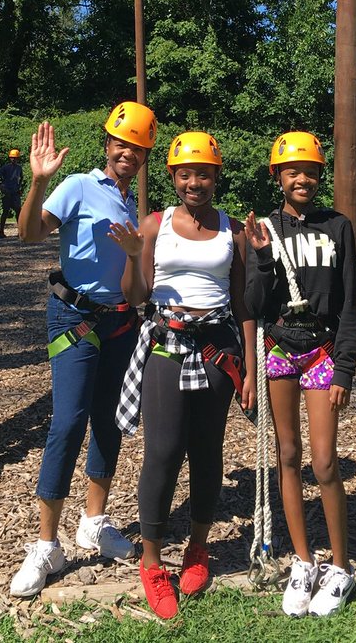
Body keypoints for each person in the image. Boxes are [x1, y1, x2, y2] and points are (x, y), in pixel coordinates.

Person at [9, 101, 158, 598]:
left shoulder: (126, 204)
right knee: (68, 423)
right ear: (107, 144)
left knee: (110, 421)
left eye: (137, 150)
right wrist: (37, 182)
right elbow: (30, 233)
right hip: (74, 318)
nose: (128, 154)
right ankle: (45, 544)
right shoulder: (77, 185)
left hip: (119, 322)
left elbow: (134, 289)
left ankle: (93, 521)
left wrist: (137, 260)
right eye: (122, 144)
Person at [108, 132, 255, 619]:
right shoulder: (154, 225)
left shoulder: (232, 230)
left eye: (204, 173)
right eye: (186, 174)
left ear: (216, 177)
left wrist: (250, 368)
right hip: (167, 344)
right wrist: (132, 255)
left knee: (207, 449)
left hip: (216, 346)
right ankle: (151, 561)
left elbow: (242, 303)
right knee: (164, 451)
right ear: (172, 178)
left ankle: (197, 546)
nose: (196, 182)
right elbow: (135, 298)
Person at [244, 132, 356, 618]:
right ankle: (303, 561)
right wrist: (263, 257)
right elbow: (252, 304)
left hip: (322, 350)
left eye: (311, 171)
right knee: (287, 455)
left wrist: (346, 371)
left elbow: (351, 302)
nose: (303, 179)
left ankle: (341, 565)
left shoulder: (339, 227)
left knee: (325, 462)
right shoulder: (265, 229)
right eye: (292, 171)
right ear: (277, 176)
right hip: (278, 348)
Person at [0, 149, 23, 238]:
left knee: (18, 212)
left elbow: (21, 178)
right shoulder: (5, 167)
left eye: (15, 158)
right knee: (5, 212)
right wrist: (0, 187)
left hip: (15, 192)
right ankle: (1, 231)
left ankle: (20, 232)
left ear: (18, 158)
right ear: (9, 158)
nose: (13, 160)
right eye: (12, 158)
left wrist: (19, 187)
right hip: (7, 192)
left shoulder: (19, 168)